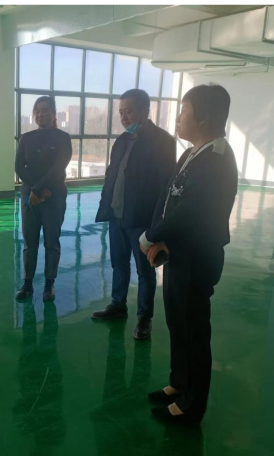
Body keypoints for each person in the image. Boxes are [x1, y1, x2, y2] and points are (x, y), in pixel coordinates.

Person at [141, 84, 238, 424]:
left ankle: (191, 406)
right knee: (177, 322)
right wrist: (158, 236)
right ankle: (179, 382)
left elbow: (192, 212)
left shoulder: (216, 159)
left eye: (184, 111)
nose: (179, 118)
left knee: (194, 330)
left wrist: (151, 236)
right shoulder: (192, 153)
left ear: (205, 118)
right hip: (178, 253)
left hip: (197, 258)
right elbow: (167, 197)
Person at [92, 89, 176, 341]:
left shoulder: (162, 141)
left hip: (141, 220)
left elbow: (165, 186)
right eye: (120, 112)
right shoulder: (121, 140)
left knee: (145, 270)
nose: (123, 117)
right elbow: (112, 174)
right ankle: (118, 305)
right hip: (117, 215)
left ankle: (144, 318)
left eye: (128, 111)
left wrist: (157, 225)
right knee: (118, 264)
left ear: (144, 110)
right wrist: (106, 204)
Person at [15, 96, 72, 301]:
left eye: (45, 110)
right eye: (37, 111)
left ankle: (49, 283)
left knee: (51, 241)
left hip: (54, 196)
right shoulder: (26, 138)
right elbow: (19, 166)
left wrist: (38, 189)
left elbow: (59, 167)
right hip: (30, 197)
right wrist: (35, 189)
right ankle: (27, 284)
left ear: (54, 113)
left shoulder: (63, 138)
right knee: (29, 242)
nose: (40, 114)